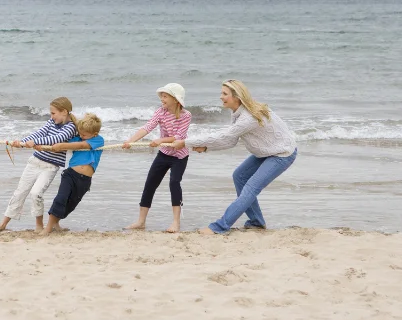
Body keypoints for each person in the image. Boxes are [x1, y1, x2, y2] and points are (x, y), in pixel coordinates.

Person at [172, 79, 297, 234]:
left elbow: (224, 136)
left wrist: (185, 142)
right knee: (239, 176)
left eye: (225, 94)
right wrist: (205, 148)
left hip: (282, 153)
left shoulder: (247, 118)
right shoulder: (238, 113)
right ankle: (256, 222)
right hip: (266, 151)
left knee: (251, 188)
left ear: (237, 97)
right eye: (221, 93)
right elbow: (231, 141)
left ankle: (220, 226)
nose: (220, 97)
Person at [0, 97, 78, 233]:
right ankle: (3, 224)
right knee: (20, 192)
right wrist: (22, 142)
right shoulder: (51, 122)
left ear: (64, 112)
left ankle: (39, 226)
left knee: (36, 193)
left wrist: (35, 142)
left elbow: (55, 139)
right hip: (34, 162)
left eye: (54, 113)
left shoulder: (71, 127)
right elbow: (39, 133)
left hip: (50, 167)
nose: (51, 116)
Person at [122, 83, 192, 233]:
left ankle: (175, 222)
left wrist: (160, 141)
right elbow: (147, 127)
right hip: (164, 154)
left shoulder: (186, 115)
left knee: (174, 183)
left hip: (179, 156)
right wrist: (131, 141)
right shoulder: (160, 112)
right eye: (161, 96)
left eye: (165, 96)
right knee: (150, 183)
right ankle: (141, 221)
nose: (162, 99)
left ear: (175, 99)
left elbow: (179, 137)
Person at [40, 113, 104, 235]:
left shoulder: (98, 140)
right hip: (70, 175)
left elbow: (81, 145)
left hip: (85, 180)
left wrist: (62, 145)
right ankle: (48, 227)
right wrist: (44, 146)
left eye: (84, 134)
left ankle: (56, 223)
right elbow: (66, 141)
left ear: (94, 134)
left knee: (71, 204)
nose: (81, 136)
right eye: (80, 133)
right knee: (61, 199)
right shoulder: (78, 138)